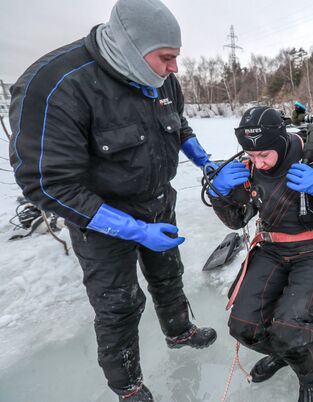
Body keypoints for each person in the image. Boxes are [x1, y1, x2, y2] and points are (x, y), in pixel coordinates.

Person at [9, 0, 217, 400]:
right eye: (167, 57)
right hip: (99, 218)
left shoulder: (160, 78)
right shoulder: (55, 84)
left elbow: (180, 126)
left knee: (168, 275)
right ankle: (128, 385)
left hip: (158, 200)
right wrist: (134, 230)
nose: (175, 68)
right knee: (120, 303)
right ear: (130, 47)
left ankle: (179, 332)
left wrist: (207, 164)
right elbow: (47, 183)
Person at [208, 106, 313, 402]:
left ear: (279, 142)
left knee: (290, 330)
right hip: (273, 248)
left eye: (264, 155)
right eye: (252, 156)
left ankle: (309, 380)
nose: (258, 163)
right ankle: (287, 356)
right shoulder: (251, 167)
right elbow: (236, 220)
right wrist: (220, 195)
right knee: (244, 328)